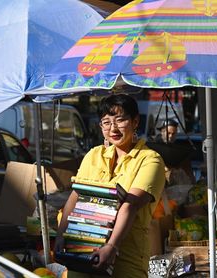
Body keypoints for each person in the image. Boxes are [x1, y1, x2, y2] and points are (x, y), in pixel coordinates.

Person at [54, 94, 166, 278]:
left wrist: (112, 246)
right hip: (82, 247)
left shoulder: (150, 160)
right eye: (106, 122)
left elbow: (130, 205)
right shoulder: (93, 155)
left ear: (135, 121)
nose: (113, 128)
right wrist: (61, 235)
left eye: (120, 120)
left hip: (127, 255)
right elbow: (75, 197)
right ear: (100, 126)